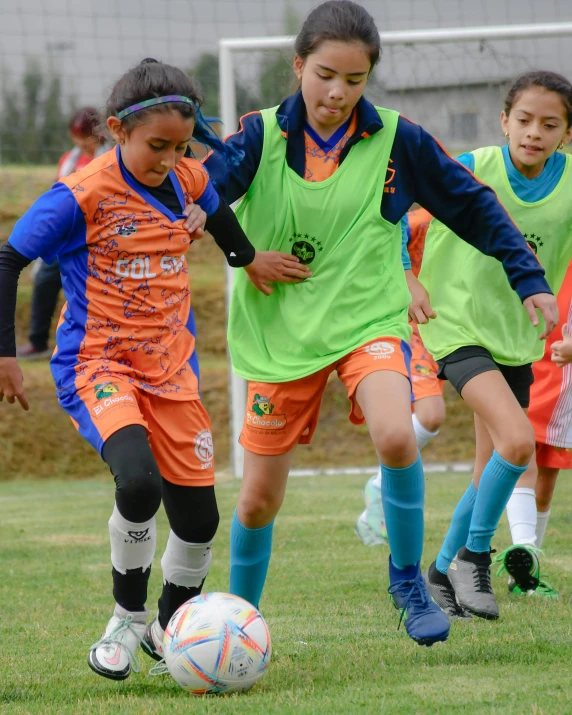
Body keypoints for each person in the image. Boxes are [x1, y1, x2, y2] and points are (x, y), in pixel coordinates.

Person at [203, 0, 556, 647]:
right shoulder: (258, 136)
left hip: (370, 317)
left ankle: (409, 583)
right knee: (257, 501)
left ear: (369, 77)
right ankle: (236, 627)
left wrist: (528, 279)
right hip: (282, 334)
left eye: (355, 79)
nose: (337, 93)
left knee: (399, 433)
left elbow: (472, 205)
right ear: (299, 65)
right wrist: (245, 255)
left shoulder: (397, 140)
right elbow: (200, 191)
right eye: (325, 75)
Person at [0, 58, 310, 681]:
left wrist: (246, 257)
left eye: (179, 146)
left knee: (200, 520)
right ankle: (126, 617)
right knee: (138, 485)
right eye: (155, 146)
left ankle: (172, 624)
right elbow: (8, 259)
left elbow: (214, 206)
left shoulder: (187, 176)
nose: (168, 159)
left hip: (172, 373)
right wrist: (6, 355)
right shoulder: (81, 195)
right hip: (98, 364)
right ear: (117, 129)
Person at [420, 70, 572, 620]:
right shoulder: (469, 169)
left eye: (549, 124)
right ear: (504, 120)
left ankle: (438, 574)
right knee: (517, 442)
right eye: (524, 120)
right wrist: (406, 280)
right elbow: (389, 213)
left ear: (566, 134)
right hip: (455, 326)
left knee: (492, 471)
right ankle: (474, 557)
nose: (534, 132)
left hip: (517, 339)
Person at [355, 207, 446, 546]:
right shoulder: (415, 221)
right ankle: (380, 483)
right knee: (431, 414)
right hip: (407, 324)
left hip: (447, 322)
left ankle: (382, 486)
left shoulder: (472, 214)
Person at [496, 259, 572, 598]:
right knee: (516, 452)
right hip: (523, 360)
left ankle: (525, 574)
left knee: (545, 481)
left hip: (562, 381)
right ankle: (518, 551)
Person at [17, 107, 109, 360]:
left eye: (84, 136)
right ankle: (38, 342)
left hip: (95, 237)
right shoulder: (68, 160)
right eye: (77, 136)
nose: (80, 141)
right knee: (45, 281)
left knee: (90, 292)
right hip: (65, 235)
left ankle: (95, 346)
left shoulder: (110, 160)